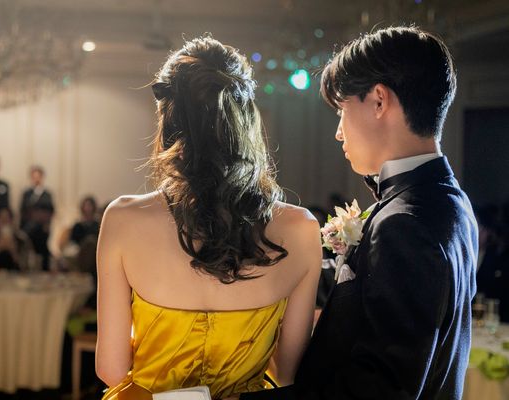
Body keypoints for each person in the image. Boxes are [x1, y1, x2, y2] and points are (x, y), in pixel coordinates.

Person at [243, 26, 478, 400]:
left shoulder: (404, 223)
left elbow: (379, 388)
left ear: (379, 101)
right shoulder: (452, 202)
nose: (339, 132)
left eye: (342, 110)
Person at [96, 36, 322, 399]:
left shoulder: (122, 219)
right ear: (246, 119)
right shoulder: (302, 229)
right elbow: (287, 373)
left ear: (168, 118)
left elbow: (111, 369)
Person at [19, 166, 55, 270]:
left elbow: (50, 211)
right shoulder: (27, 194)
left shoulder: (47, 194)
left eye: (38, 177)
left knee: (39, 232)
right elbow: (23, 210)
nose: (36, 179)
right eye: (34, 177)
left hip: (42, 228)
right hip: (28, 225)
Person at [0, 207, 32, 271]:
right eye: (1, 218)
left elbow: (25, 267)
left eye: (7, 218)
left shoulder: (21, 239)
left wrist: (13, 249)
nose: (4, 221)